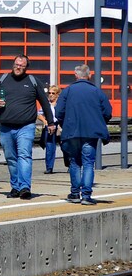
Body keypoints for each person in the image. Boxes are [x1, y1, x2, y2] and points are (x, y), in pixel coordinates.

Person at [0, 54, 55, 200]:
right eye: (16, 65)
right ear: (13, 64)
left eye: (21, 66)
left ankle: (24, 187)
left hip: (26, 126)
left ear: (26, 67)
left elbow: (44, 103)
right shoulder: (1, 80)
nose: (18, 68)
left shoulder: (33, 81)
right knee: (11, 158)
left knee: (24, 156)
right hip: (5, 126)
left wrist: (50, 122)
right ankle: (15, 187)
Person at [55, 64, 112, 205]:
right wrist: (97, 121)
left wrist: (65, 123)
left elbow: (58, 112)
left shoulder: (67, 91)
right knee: (88, 163)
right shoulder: (97, 92)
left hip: (71, 132)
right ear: (90, 75)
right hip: (91, 133)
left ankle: (75, 193)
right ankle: (86, 196)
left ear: (76, 75)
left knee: (74, 162)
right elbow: (107, 112)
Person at [39, 85, 62, 174]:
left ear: (57, 94)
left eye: (53, 93)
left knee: (65, 147)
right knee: (50, 147)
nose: (51, 95)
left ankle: (70, 164)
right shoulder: (46, 104)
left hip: (59, 126)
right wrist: (45, 121)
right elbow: (39, 114)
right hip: (49, 126)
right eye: (49, 93)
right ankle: (49, 167)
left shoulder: (61, 104)